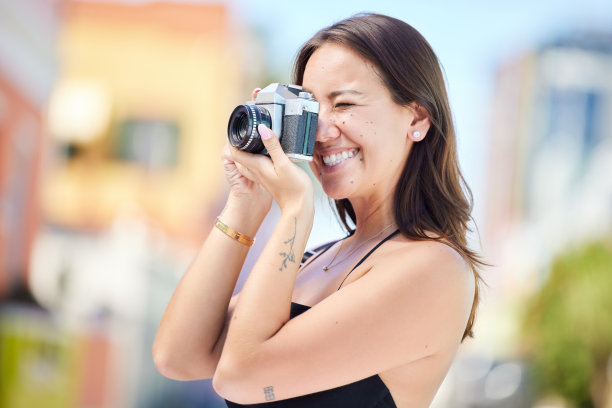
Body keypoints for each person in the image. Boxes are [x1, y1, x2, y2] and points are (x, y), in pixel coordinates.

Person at [153, 13, 483, 408]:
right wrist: (245, 204)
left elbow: (239, 378)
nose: (321, 133)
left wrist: (295, 210)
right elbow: (177, 356)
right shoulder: (317, 260)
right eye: (311, 110)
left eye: (344, 104)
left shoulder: (433, 268)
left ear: (416, 118)